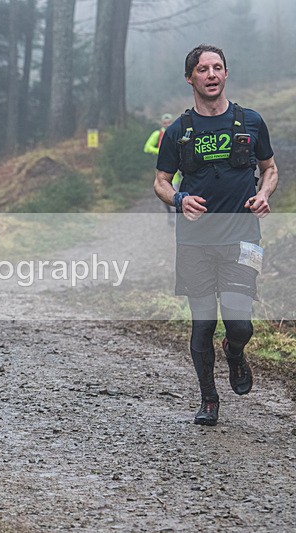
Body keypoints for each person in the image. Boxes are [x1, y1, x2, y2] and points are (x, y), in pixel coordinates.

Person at [153, 44, 278, 426]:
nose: (211, 74)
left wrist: (263, 193)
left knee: (240, 323)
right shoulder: (178, 130)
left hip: (243, 238)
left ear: (225, 74)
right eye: (203, 69)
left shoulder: (251, 121)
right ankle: (209, 400)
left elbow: (269, 168)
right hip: (195, 243)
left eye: (217, 67)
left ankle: (235, 352)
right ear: (190, 77)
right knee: (202, 323)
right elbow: (160, 181)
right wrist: (179, 198)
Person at [145, 113, 181, 223]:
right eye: (165, 123)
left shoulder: (177, 131)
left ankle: (177, 213)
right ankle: (170, 213)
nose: (167, 124)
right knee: (164, 188)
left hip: (178, 166)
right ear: (162, 123)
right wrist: (160, 151)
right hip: (163, 165)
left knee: (176, 188)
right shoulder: (157, 134)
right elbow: (147, 147)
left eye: (169, 122)